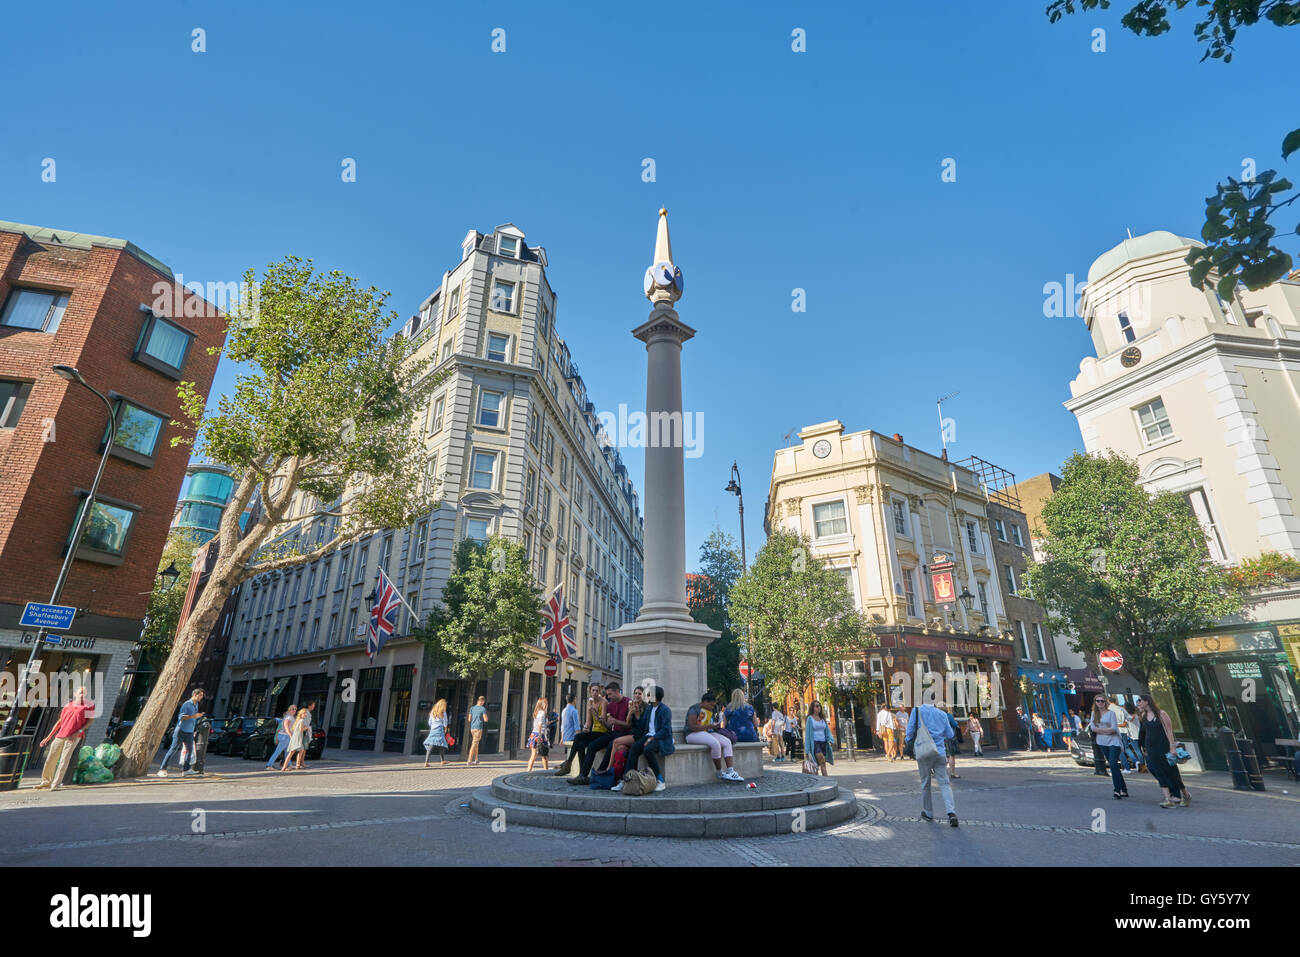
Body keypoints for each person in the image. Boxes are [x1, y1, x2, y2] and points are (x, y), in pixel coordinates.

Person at [904, 701, 959, 826]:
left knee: (925, 783)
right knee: (944, 783)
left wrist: (909, 743)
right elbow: (950, 734)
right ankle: (951, 813)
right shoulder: (942, 713)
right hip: (939, 752)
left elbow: (910, 731)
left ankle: (928, 812)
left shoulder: (916, 711)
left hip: (924, 752)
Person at [612, 685, 674, 792]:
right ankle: (626, 779)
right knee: (634, 749)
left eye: (649, 695)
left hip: (660, 738)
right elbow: (642, 725)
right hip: (648, 736)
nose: (647, 696)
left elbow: (666, 730)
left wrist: (653, 738)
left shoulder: (665, 710)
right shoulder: (649, 709)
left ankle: (660, 780)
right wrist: (636, 714)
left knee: (648, 750)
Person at [35, 686, 94, 791]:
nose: (82, 695)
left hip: (74, 736)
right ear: (75, 694)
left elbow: (90, 721)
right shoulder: (68, 705)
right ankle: (46, 781)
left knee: (64, 760)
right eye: (80, 693)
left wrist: (78, 732)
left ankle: (55, 784)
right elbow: (59, 722)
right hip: (60, 735)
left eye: (84, 693)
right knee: (50, 758)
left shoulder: (89, 706)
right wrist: (48, 737)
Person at [569, 683, 630, 785]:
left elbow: (629, 725)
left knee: (610, 745)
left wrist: (615, 722)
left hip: (624, 734)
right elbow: (609, 726)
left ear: (617, 691)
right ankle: (583, 775)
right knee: (590, 745)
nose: (609, 697)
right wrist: (602, 721)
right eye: (608, 695)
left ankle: (600, 772)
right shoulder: (611, 705)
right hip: (612, 732)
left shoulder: (627, 702)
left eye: (610, 694)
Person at [1136, 694, 1189, 808]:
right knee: (1158, 772)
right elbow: (1144, 733)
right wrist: (1144, 749)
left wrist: (1172, 747)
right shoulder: (1144, 715)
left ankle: (1185, 794)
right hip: (1151, 748)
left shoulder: (1161, 714)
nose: (1138, 703)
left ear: (1147, 701)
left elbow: (1169, 731)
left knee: (1172, 772)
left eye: (1140, 700)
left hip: (1164, 747)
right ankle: (1168, 798)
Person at [686, 691, 744, 782]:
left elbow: (707, 725)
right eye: (711, 705)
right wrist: (709, 726)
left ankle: (730, 771)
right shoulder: (694, 709)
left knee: (727, 742)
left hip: (706, 732)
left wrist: (714, 726)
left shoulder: (709, 710)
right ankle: (719, 772)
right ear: (705, 702)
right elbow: (692, 726)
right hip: (691, 734)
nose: (712, 707)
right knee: (715, 743)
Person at [556, 685, 607, 778]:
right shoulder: (589, 702)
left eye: (597, 690)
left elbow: (602, 721)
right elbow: (588, 722)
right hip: (594, 732)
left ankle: (568, 764)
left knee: (578, 737)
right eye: (593, 690)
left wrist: (592, 710)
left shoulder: (603, 702)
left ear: (599, 692)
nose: (595, 692)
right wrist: (586, 728)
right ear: (590, 692)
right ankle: (582, 774)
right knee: (581, 744)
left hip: (603, 732)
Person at [159, 689, 205, 777]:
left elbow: (193, 719)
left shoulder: (196, 704)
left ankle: (186, 770)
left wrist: (194, 726)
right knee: (173, 749)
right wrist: (194, 716)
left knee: (189, 750)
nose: (201, 697)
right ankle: (162, 769)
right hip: (181, 730)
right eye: (200, 695)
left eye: (202, 695)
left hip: (190, 732)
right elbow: (181, 717)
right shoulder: (187, 704)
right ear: (195, 694)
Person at [1090, 694, 1129, 800]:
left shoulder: (1111, 713)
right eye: (1098, 701)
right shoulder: (1094, 714)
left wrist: (1100, 730)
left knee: (1112, 763)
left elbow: (1113, 728)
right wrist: (1105, 731)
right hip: (1102, 741)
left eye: (1102, 701)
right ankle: (1123, 788)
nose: (1100, 703)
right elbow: (1093, 727)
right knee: (1114, 766)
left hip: (1114, 741)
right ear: (1095, 702)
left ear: (1105, 702)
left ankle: (1117, 790)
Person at [607, 686, 647, 768]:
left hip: (640, 735)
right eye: (635, 693)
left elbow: (642, 725)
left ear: (643, 695)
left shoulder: (646, 707)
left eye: (639, 693)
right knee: (620, 748)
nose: (637, 695)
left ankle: (609, 768)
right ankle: (620, 774)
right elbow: (628, 721)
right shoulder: (631, 705)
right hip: (632, 733)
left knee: (615, 742)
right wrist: (630, 711)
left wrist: (637, 713)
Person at [804, 700, 834, 777]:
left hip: (823, 743)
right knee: (822, 761)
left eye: (819, 706)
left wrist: (830, 740)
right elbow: (807, 735)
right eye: (816, 706)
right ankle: (827, 780)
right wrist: (807, 750)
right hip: (815, 743)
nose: (819, 708)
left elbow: (827, 731)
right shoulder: (810, 719)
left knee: (820, 764)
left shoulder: (822, 719)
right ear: (812, 708)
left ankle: (822, 779)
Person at [266, 705, 297, 770]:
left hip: (286, 736)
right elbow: (286, 727)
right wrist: (291, 735)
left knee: (287, 752)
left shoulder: (291, 717)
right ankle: (269, 765)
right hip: (285, 736)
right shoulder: (288, 717)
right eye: (292, 709)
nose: (294, 710)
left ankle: (289, 765)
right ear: (289, 710)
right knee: (278, 751)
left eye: (295, 709)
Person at [281, 704, 309, 772]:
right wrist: (307, 728)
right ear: (301, 714)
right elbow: (300, 729)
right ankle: (284, 767)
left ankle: (297, 765)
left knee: (301, 750)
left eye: (306, 713)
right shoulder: (301, 720)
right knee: (292, 753)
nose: (305, 714)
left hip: (297, 737)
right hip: (297, 738)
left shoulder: (298, 720)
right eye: (304, 713)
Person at [526, 696, 551, 772]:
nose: (547, 704)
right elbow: (540, 725)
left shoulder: (537, 712)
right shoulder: (542, 713)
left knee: (533, 755)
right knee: (544, 755)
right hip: (540, 735)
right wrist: (540, 736)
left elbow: (541, 723)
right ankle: (546, 771)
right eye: (545, 703)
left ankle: (528, 771)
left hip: (534, 734)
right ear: (542, 704)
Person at [423, 699, 450, 767]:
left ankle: (426, 762)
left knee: (431, 745)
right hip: (440, 729)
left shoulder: (433, 711)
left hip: (433, 730)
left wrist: (433, 726)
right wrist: (445, 728)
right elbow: (445, 722)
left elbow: (429, 722)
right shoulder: (443, 712)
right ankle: (442, 761)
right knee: (441, 744)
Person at [466, 695, 488, 766]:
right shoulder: (483, 709)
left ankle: (476, 759)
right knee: (474, 743)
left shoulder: (472, 708)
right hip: (478, 728)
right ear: (482, 701)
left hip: (472, 728)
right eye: (483, 702)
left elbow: (469, 719)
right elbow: (485, 719)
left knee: (476, 743)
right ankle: (469, 760)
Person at [294, 700, 316, 768]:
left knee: (304, 748)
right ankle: (298, 764)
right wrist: (307, 728)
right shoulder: (306, 712)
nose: (314, 707)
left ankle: (301, 763)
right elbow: (304, 723)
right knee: (302, 749)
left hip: (305, 732)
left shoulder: (308, 713)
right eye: (313, 705)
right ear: (309, 706)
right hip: (304, 732)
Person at [942, 707, 961, 778]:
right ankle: (953, 773)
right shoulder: (948, 716)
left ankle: (937, 770)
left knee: (943, 755)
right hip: (949, 737)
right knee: (951, 755)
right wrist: (956, 722)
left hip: (940, 738)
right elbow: (955, 724)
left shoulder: (937, 716)